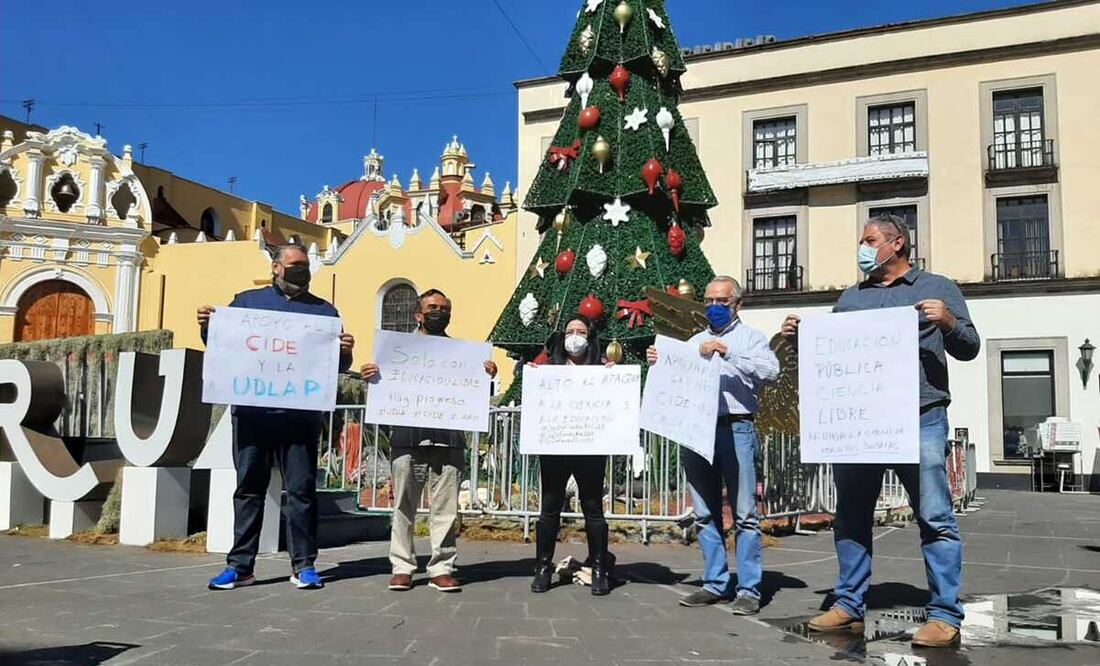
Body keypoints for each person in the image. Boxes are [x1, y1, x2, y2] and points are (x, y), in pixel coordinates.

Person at [781, 214, 980, 648]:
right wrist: (801, 341)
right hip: (861, 423)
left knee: (935, 516)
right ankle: (849, 603)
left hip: (920, 417)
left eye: (870, 240)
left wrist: (947, 321)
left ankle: (945, 614)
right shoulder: (851, 298)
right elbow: (830, 362)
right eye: (862, 240)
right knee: (851, 515)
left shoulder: (938, 287)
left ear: (897, 244)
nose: (863, 248)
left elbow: (969, 347)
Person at [199, 243, 355, 591]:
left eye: (306, 266)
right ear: (276, 267)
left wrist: (345, 353)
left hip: (300, 419)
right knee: (248, 490)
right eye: (295, 265)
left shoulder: (325, 312)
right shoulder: (246, 303)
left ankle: (304, 565)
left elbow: (334, 369)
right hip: (252, 415)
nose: (302, 271)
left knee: (301, 491)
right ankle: (240, 566)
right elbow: (224, 347)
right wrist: (209, 327)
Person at [647, 276, 779, 616]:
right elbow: (677, 376)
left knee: (745, 514)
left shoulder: (751, 338)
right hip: (698, 429)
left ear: (738, 304)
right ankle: (715, 583)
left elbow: (771, 371)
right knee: (705, 512)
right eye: (709, 301)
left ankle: (749, 589)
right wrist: (659, 361)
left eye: (721, 301)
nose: (714, 307)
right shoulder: (694, 340)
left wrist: (728, 351)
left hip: (736, 428)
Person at [361, 289, 497, 593]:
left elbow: (477, 396)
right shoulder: (394, 352)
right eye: (432, 307)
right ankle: (402, 566)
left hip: (449, 442)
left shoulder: (463, 356)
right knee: (403, 508)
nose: (439, 312)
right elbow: (381, 389)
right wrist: (370, 375)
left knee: (446, 509)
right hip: (408, 440)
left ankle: (441, 567)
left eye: (444, 308)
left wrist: (486, 376)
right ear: (418, 315)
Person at [527, 317, 615, 596]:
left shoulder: (601, 368)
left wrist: (614, 377)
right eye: (570, 332)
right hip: (555, 447)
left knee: (593, 508)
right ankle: (543, 567)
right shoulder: (548, 368)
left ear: (590, 338)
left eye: (581, 332)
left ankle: (599, 568)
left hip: (590, 448)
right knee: (549, 507)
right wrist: (531, 375)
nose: (574, 336)